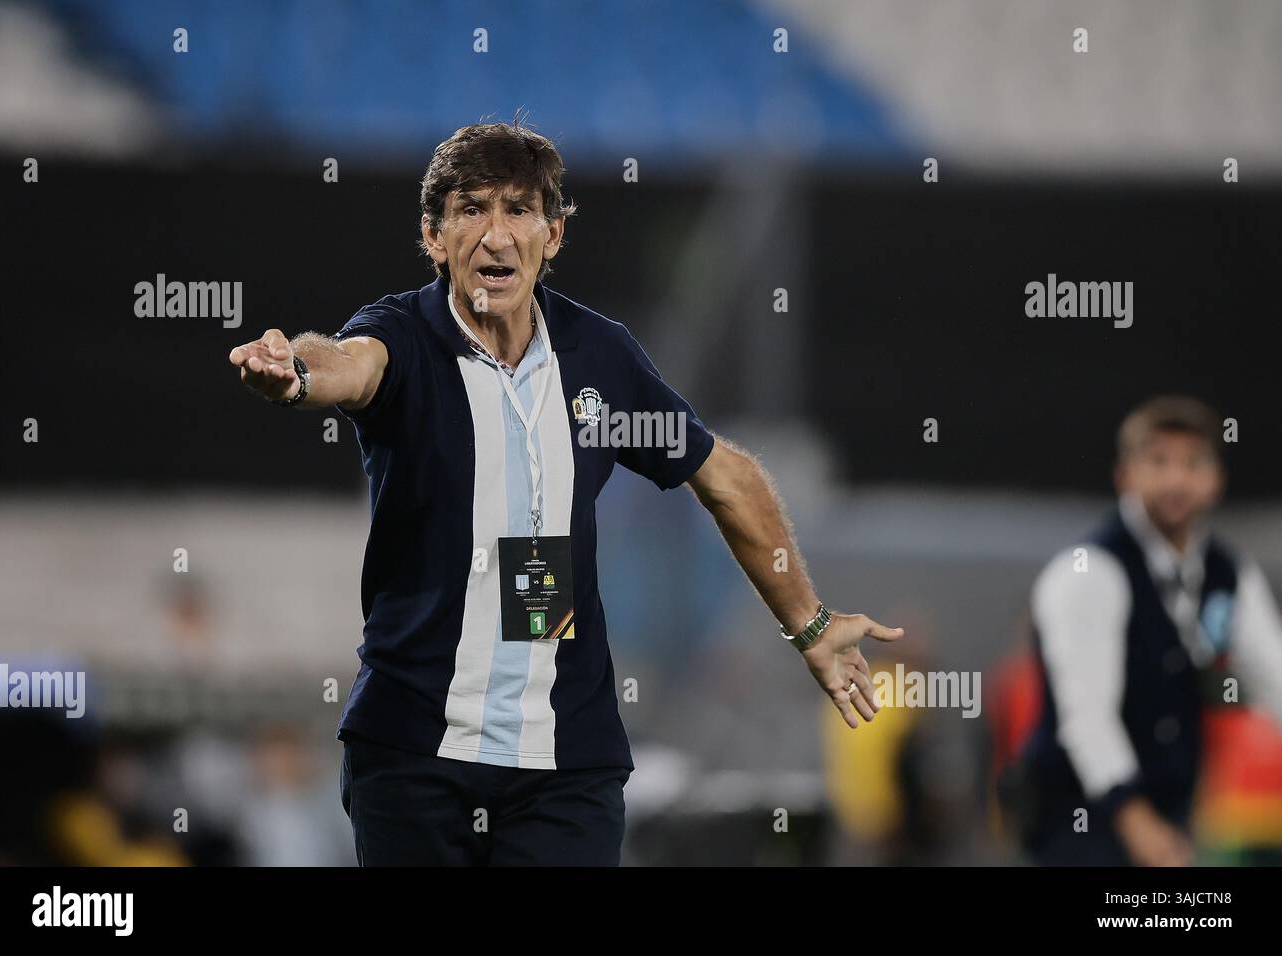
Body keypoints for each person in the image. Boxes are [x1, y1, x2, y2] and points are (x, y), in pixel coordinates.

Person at [228, 120, 902, 866]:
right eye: (471, 209)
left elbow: (727, 476)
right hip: (415, 752)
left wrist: (809, 624)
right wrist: (295, 374)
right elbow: (347, 364)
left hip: (564, 765)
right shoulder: (405, 339)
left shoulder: (599, 360)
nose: (496, 233)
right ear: (433, 235)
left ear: (552, 236)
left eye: (519, 210)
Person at [1019, 396, 1282, 865]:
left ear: (1216, 478)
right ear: (1125, 475)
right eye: (1158, 461)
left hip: (1169, 813)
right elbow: (1086, 717)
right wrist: (1134, 819)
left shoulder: (1228, 573)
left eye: (1193, 463)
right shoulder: (1090, 571)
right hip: (1079, 823)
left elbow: (1274, 677)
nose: (1176, 480)